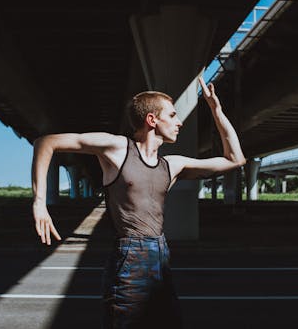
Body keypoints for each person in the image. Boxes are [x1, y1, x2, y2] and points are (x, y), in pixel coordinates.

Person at [31, 77, 246, 328]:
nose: (179, 122)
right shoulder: (117, 148)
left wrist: (216, 110)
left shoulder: (172, 165)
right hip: (129, 259)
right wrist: (39, 202)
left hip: (161, 257)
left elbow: (235, 159)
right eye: (173, 115)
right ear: (152, 120)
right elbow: (47, 142)